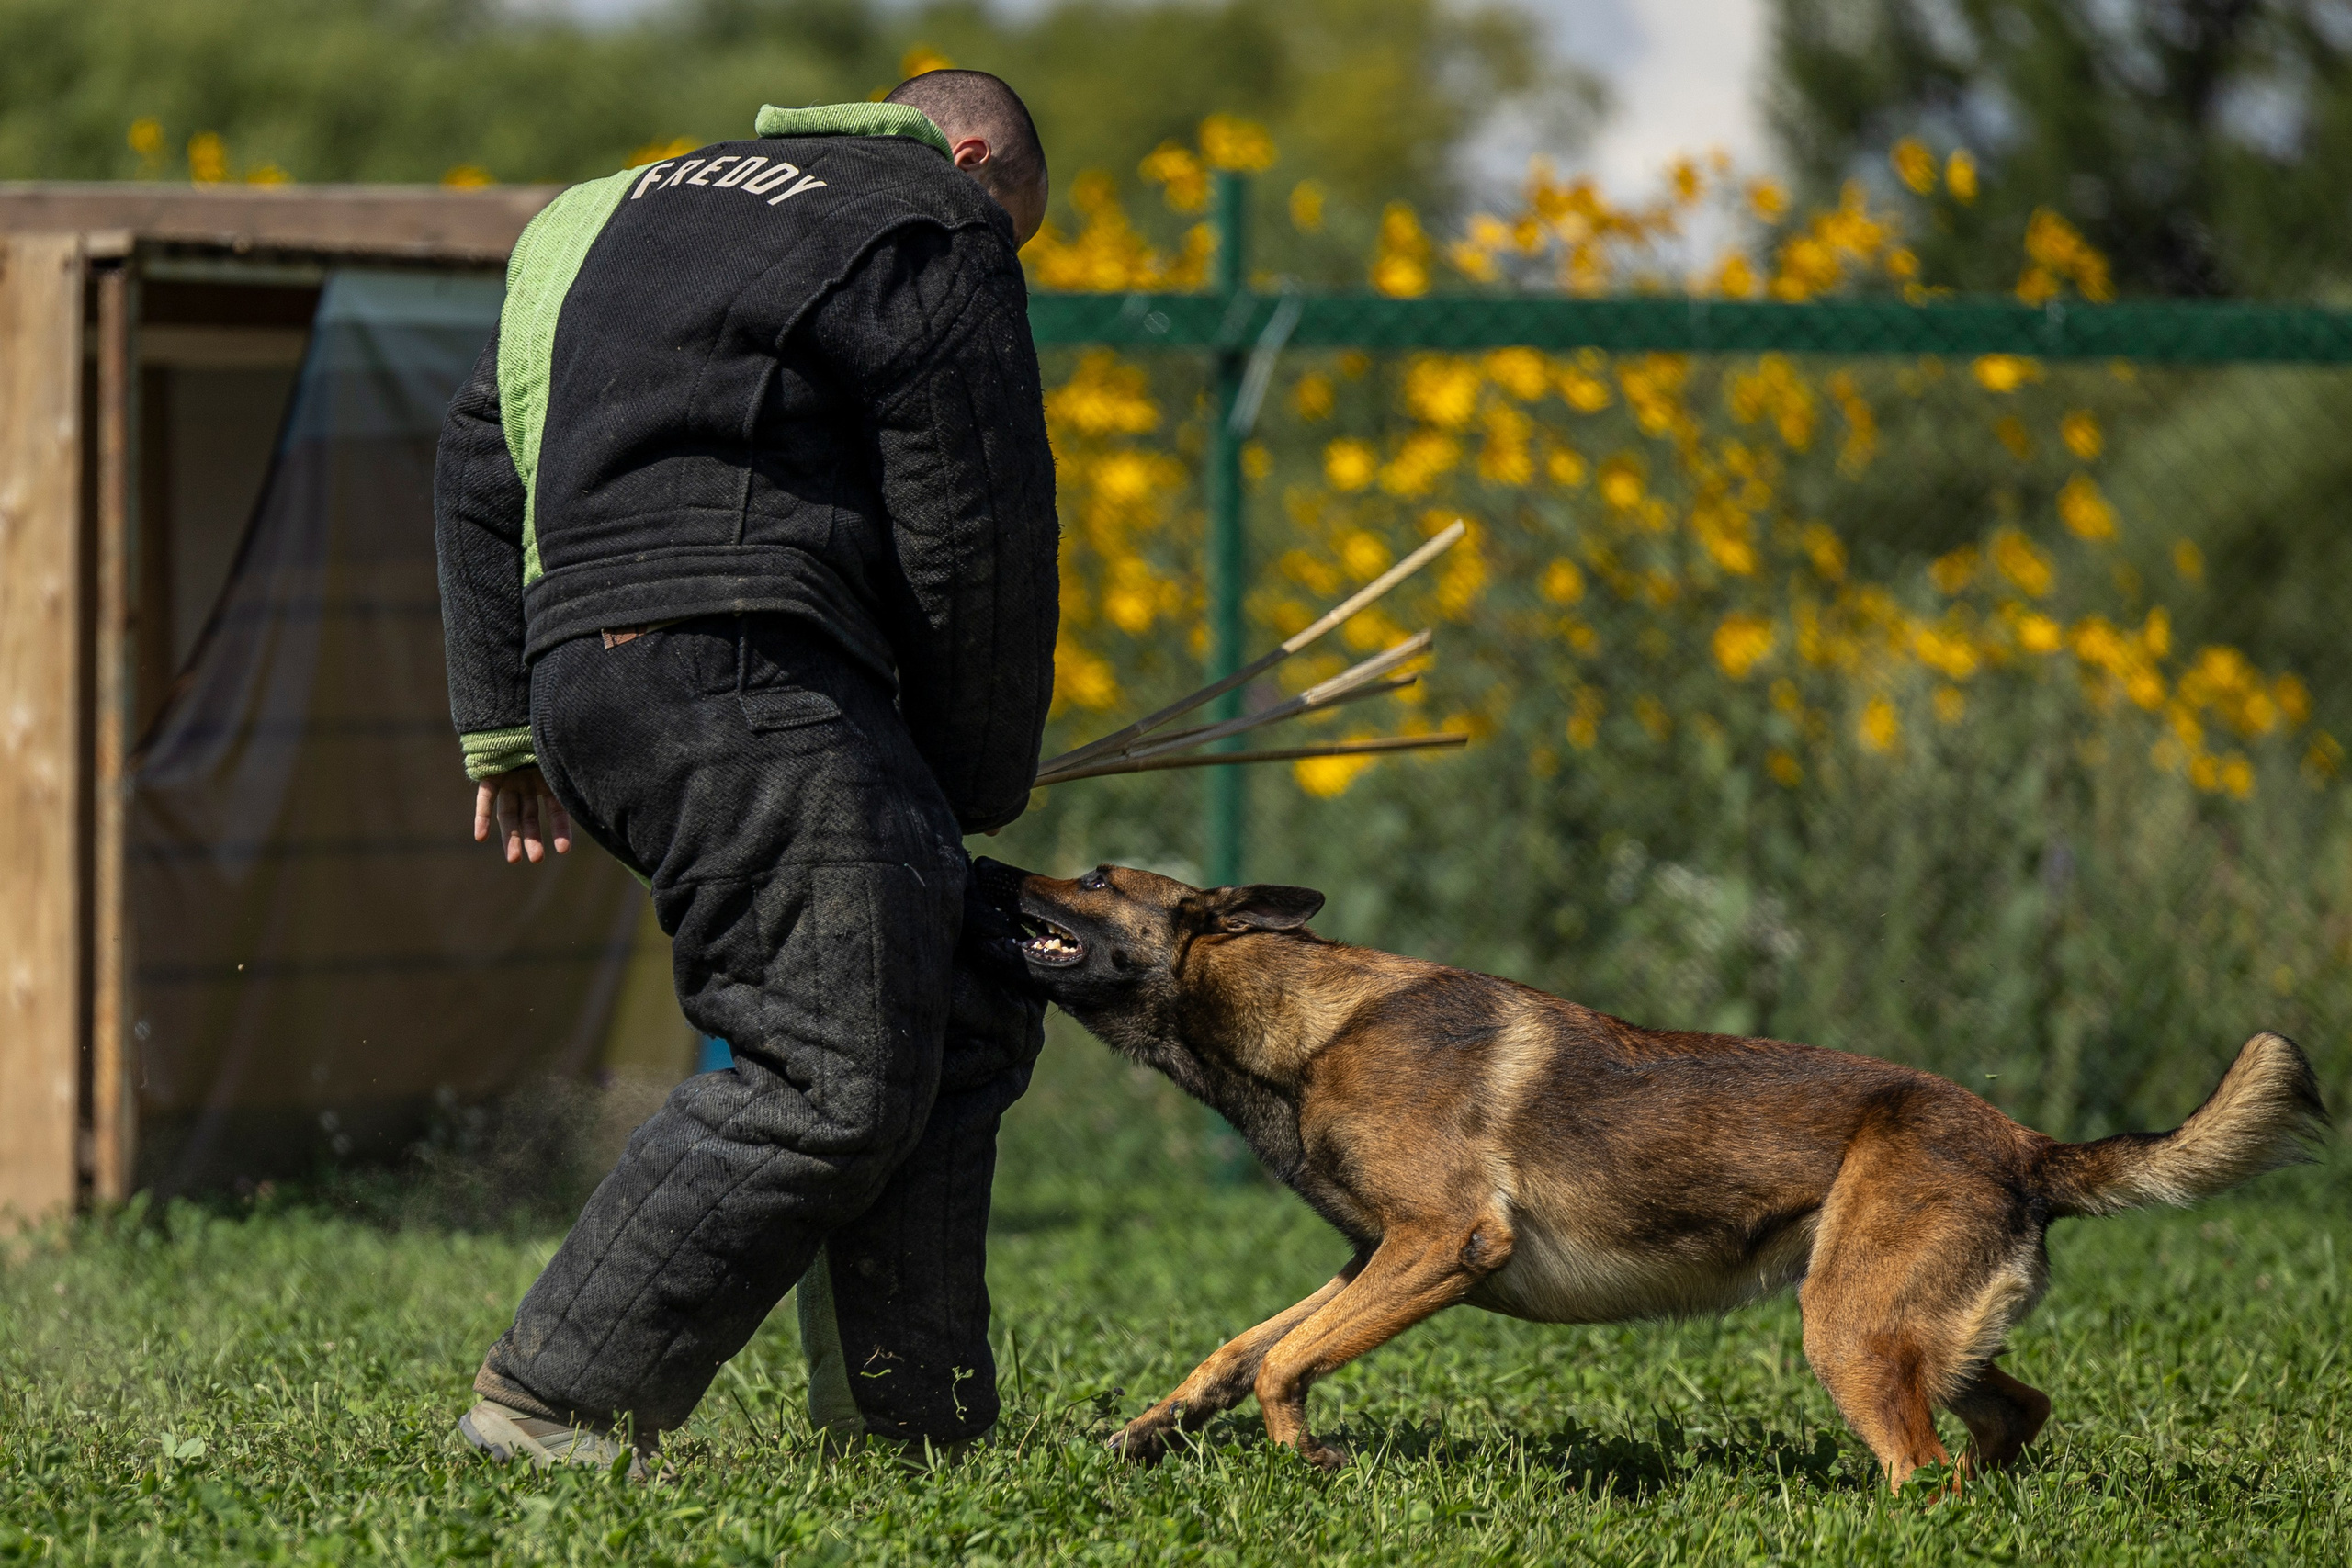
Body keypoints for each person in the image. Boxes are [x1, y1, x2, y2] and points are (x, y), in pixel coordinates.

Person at [432, 70, 1058, 1474]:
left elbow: (481, 451)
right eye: (1017, 226)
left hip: (603, 684)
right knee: (826, 1068)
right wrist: (970, 781)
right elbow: (979, 533)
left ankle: (915, 1429)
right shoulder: (927, 220)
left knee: (951, 1001)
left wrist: (505, 728)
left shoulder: (610, 211)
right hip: (743, 671)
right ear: (970, 158)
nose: (1003, 254)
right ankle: (550, 1407)